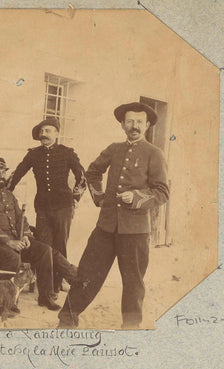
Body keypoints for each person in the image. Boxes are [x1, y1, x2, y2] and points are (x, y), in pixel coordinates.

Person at [57, 102, 170, 328]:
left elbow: (162, 192)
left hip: (136, 231)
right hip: (105, 227)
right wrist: (100, 197)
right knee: (87, 274)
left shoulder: (154, 153)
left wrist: (137, 197)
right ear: (122, 125)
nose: (134, 126)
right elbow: (92, 172)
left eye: (139, 122)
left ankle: (130, 326)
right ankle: (67, 319)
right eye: (130, 121)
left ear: (147, 125)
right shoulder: (114, 149)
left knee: (133, 282)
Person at [0, 157, 79, 311]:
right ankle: (0, 302)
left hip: (17, 240)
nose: (1, 175)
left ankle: (46, 297)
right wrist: (9, 241)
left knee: (45, 250)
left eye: (3, 172)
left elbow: (21, 218)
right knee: (13, 257)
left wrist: (25, 236)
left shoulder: (8, 193)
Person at [8, 117, 86, 293]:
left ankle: (58, 283)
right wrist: (6, 190)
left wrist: (75, 199)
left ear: (57, 133)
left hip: (63, 207)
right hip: (42, 207)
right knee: (45, 246)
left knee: (60, 245)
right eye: (42, 131)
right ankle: (47, 286)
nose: (44, 134)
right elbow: (18, 173)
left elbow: (82, 177)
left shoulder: (67, 153)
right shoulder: (33, 154)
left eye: (48, 131)